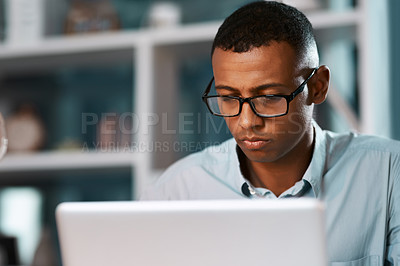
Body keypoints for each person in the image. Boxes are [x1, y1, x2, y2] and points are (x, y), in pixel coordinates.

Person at [140, 1, 400, 265]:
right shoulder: (174, 193)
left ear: (318, 87)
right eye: (228, 97)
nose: (247, 122)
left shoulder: (389, 173)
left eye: (269, 97)